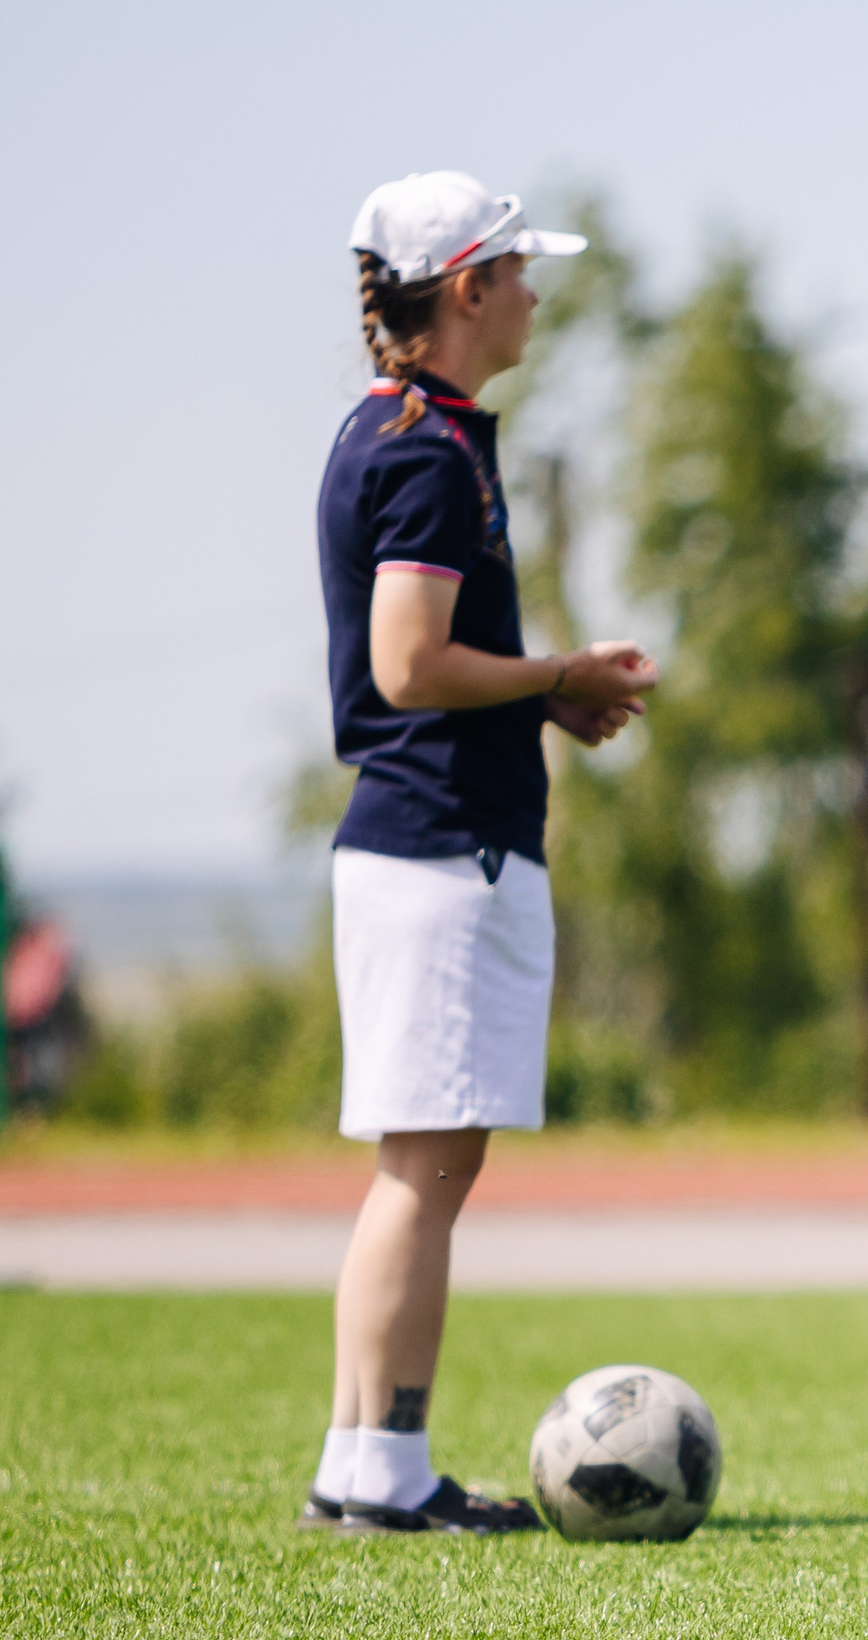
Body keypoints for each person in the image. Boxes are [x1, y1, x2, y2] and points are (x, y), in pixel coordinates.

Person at [297, 172, 659, 1534]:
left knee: (421, 1167)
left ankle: (362, 1459)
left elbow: (422, 659)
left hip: (429, 844)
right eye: (517, 270)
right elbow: (405, 663)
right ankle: (383, 1466)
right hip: (445, 850)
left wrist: (547, 694)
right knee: (425, 1171)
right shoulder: (425, 451)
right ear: (465, 287)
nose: (534, 292)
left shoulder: (407, 430)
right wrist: (557, 664)